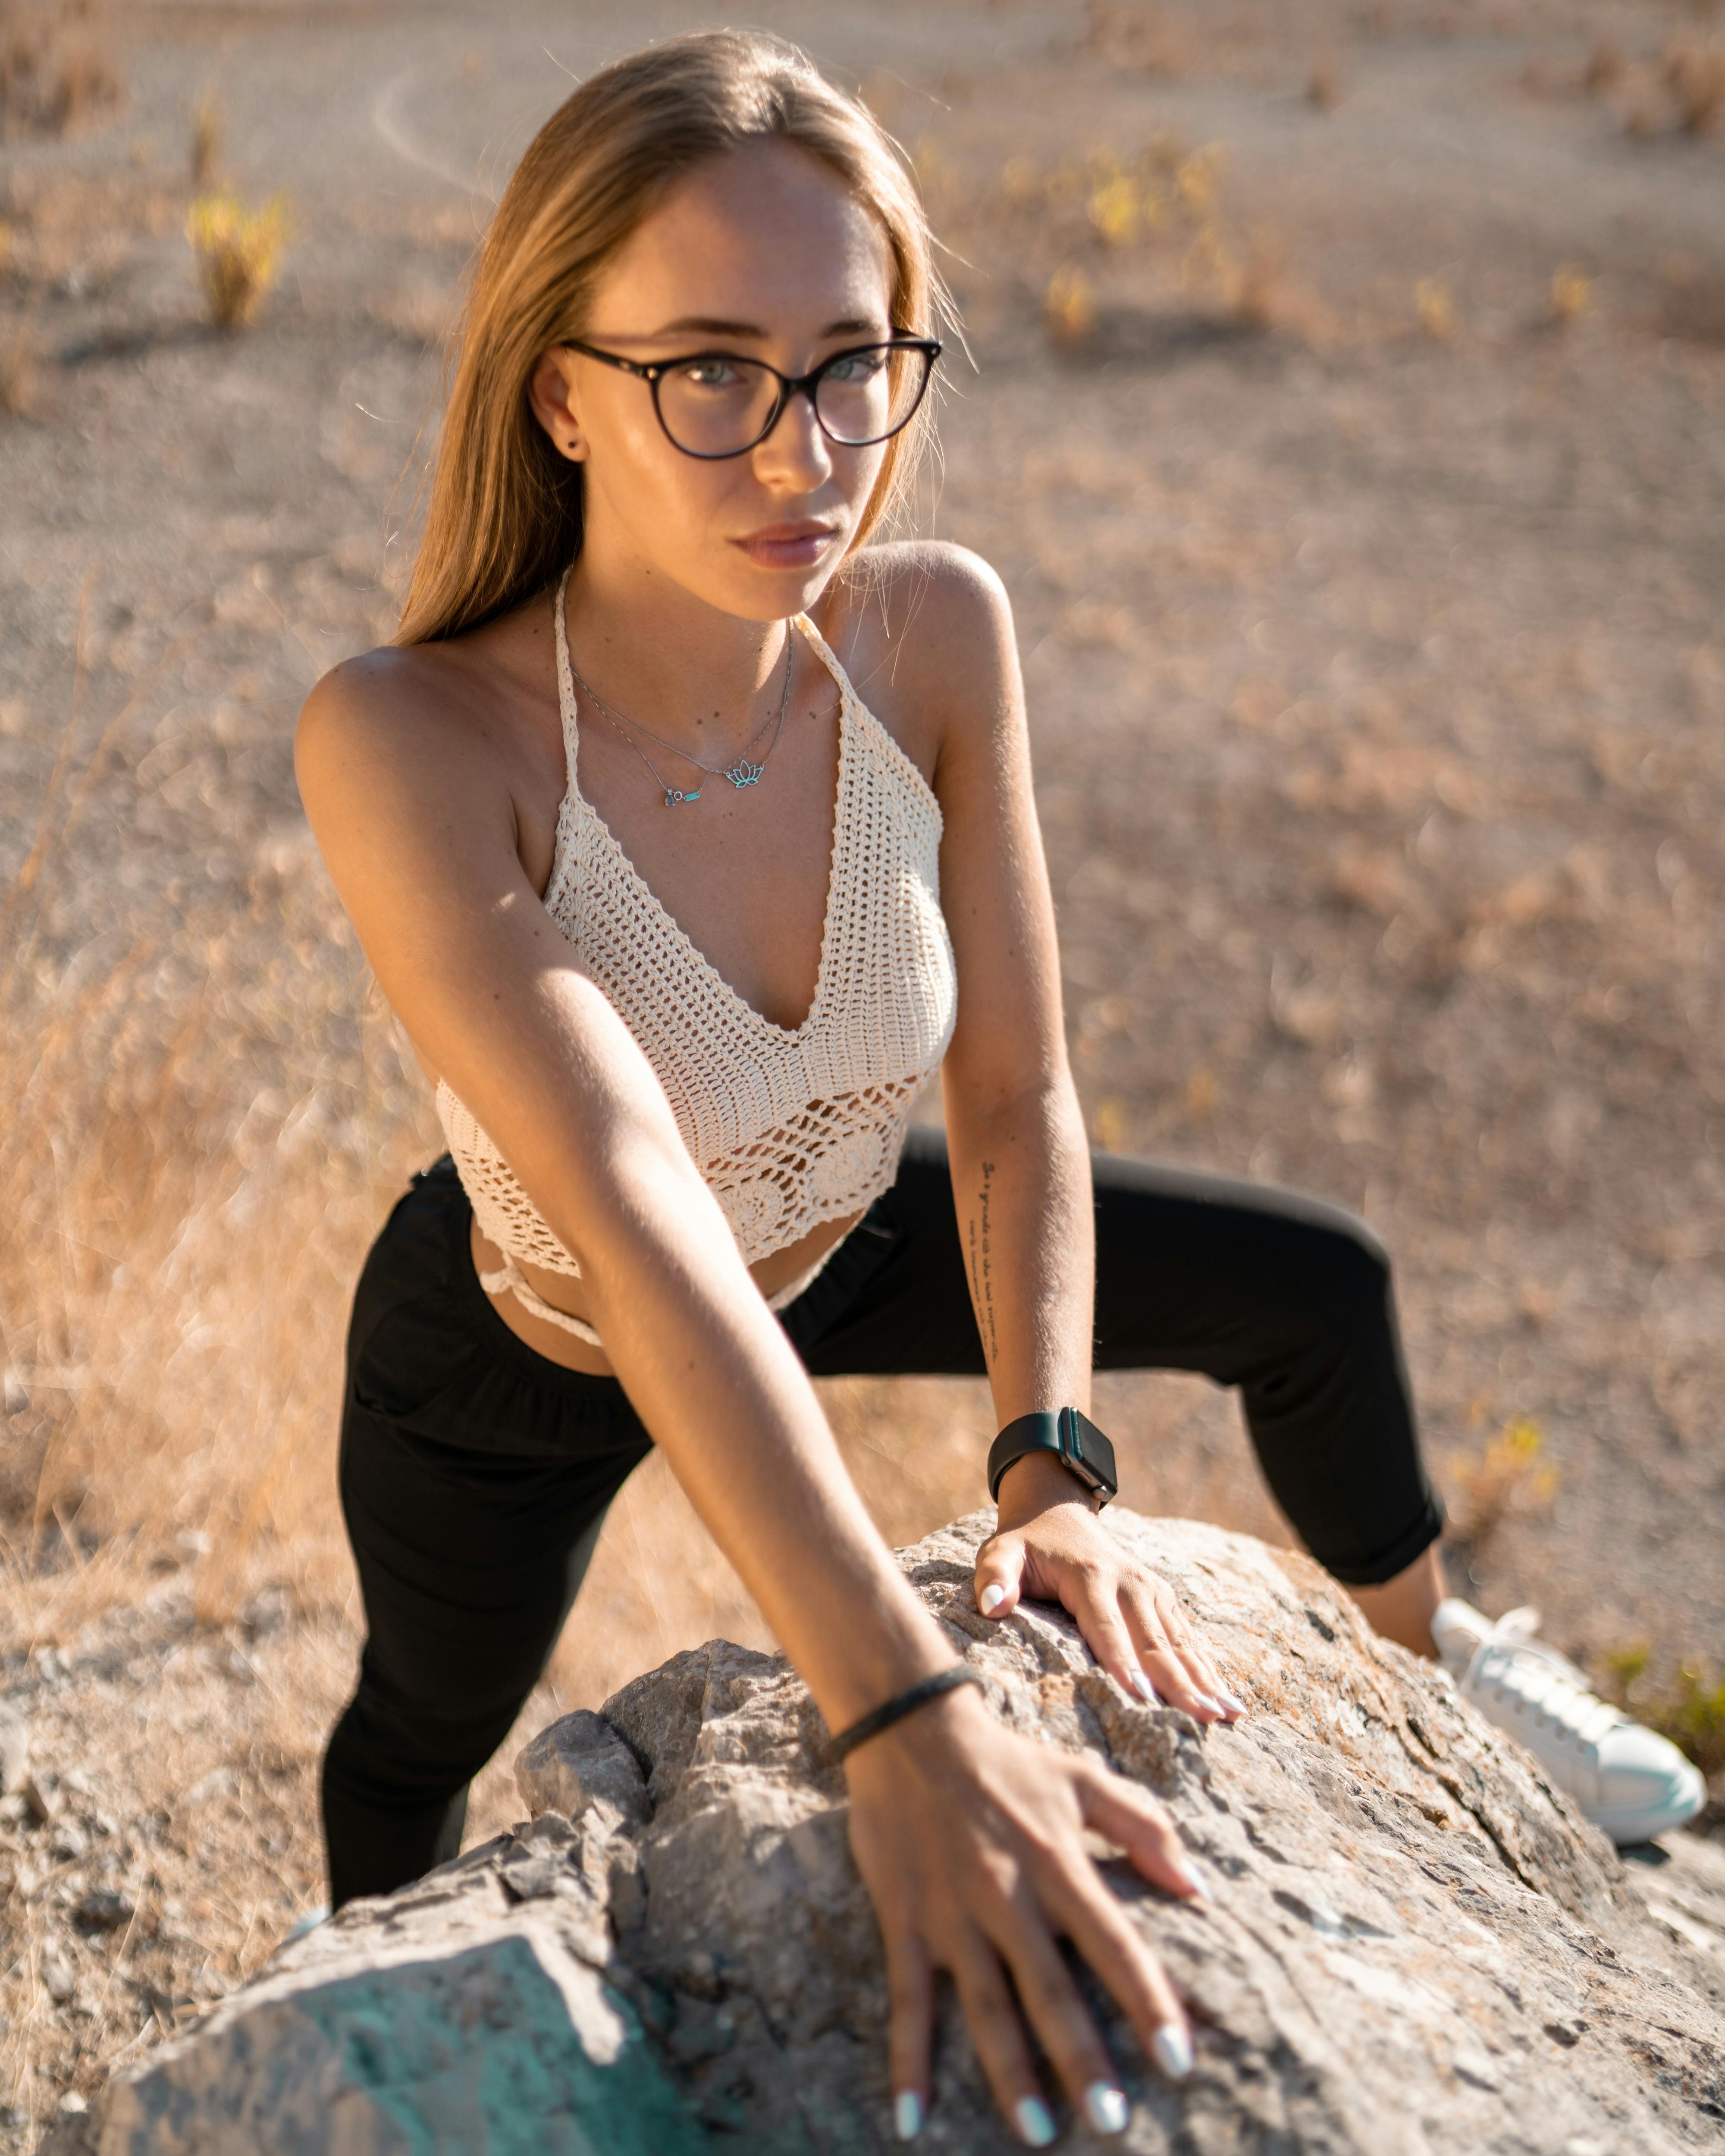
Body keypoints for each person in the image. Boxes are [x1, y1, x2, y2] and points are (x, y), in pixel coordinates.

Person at [294, 29, 1700, 2147]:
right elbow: (648, 1222)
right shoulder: (413, 738)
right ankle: (361, 2013)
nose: (805, 449)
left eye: (852, 361)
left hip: (850, 1233)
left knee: (1308, 1289)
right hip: (540, 1331)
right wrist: (911, 1718)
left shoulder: (934, 635)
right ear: (557, 388)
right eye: (712, 371)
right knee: (424, 1717)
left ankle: (1446, 1667)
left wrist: (1048, 1456)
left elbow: (1022, 1084)